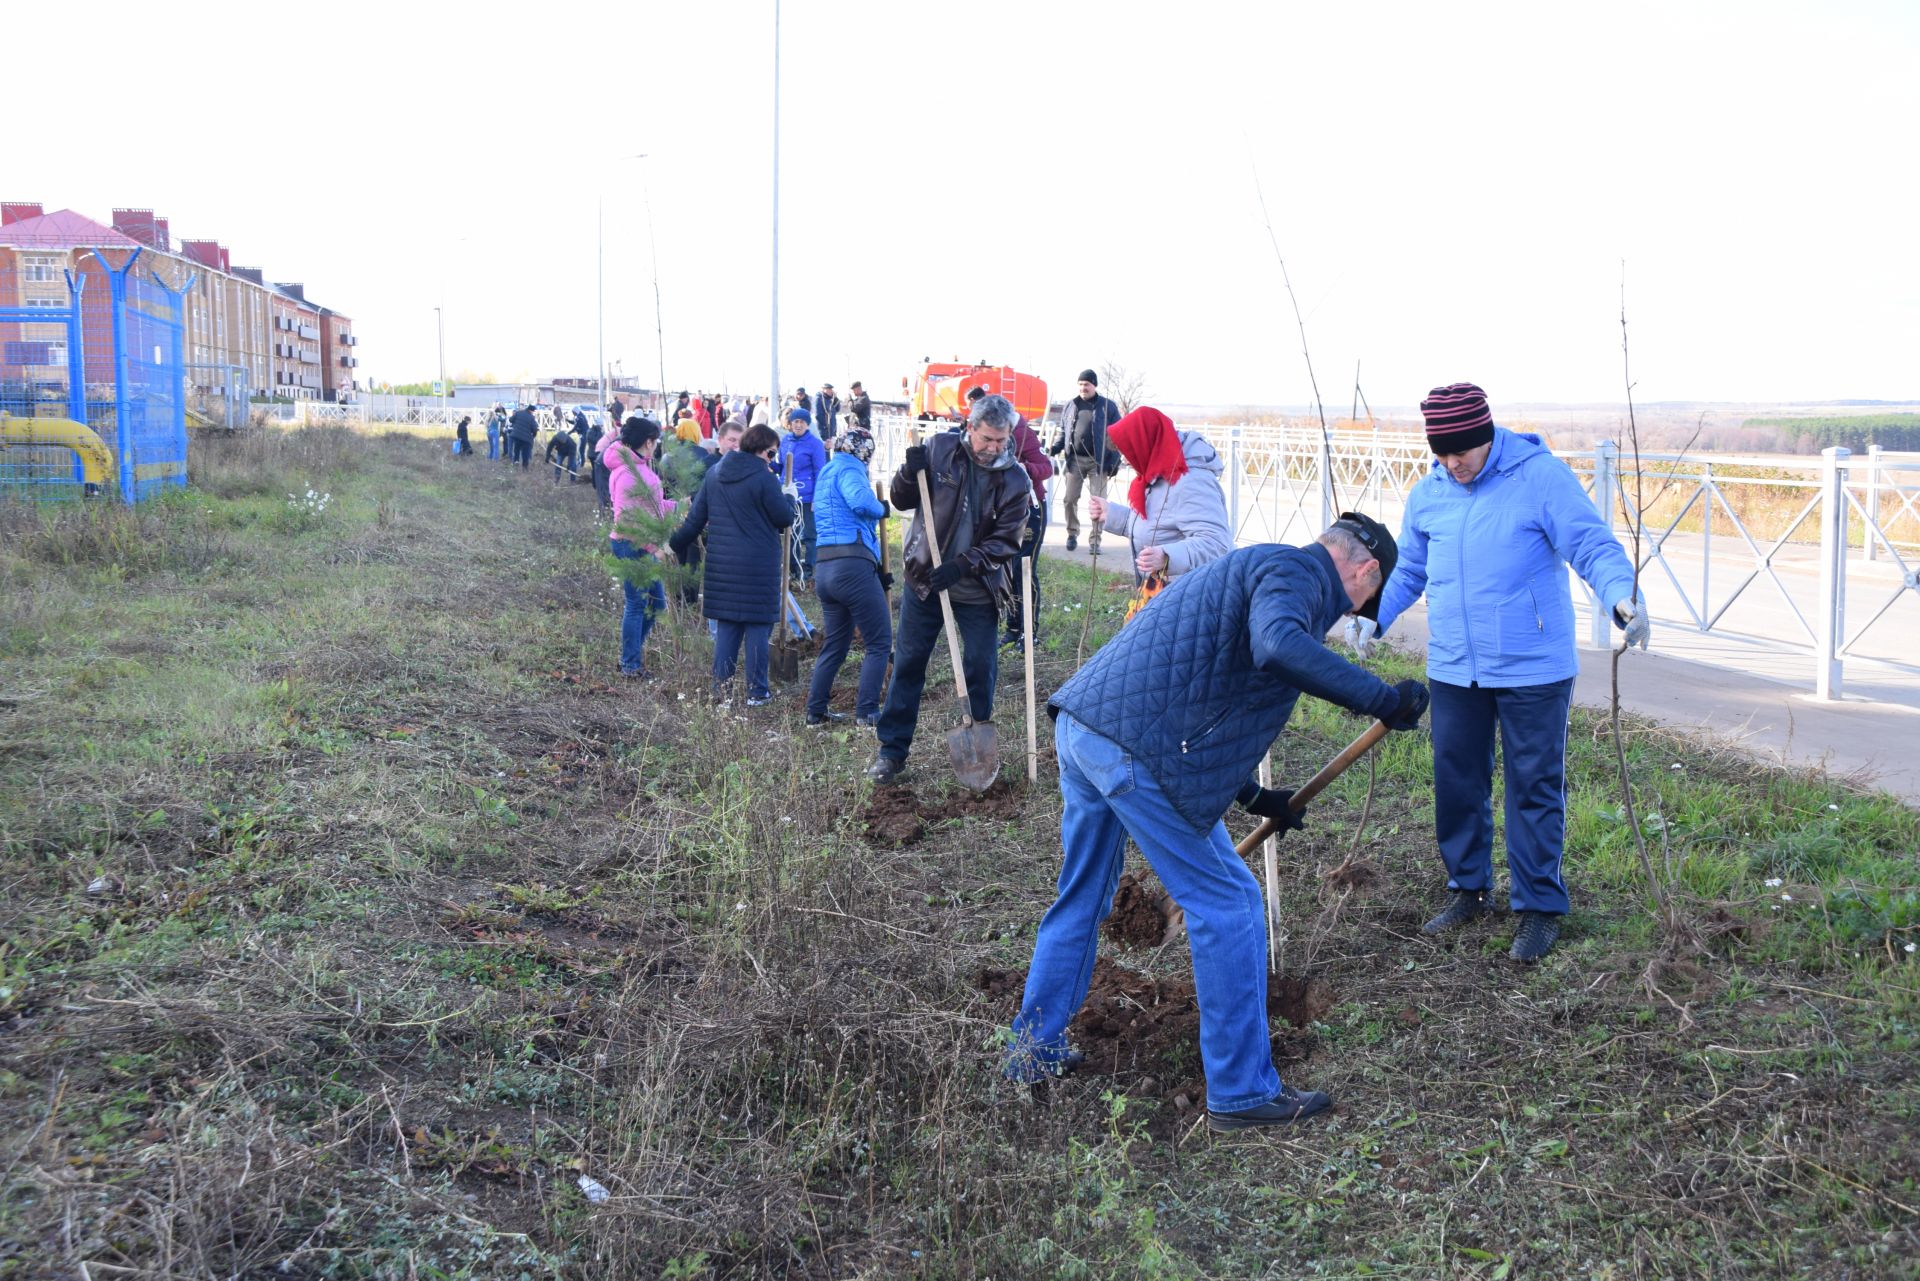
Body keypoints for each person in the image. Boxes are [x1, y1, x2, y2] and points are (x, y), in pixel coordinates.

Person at [1007, 518, 1429, 1128]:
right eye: (1369, 597)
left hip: (1087, 727)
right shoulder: (1295, 576)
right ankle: (1242, 1091)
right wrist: (1381, 698)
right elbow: (1278, 648)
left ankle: (1031, 1052)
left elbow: (1197, 692)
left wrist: (1258, 798)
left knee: (1081, 900)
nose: (1356, 610)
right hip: (1133, 749)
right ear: (1365, 573)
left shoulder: (1264, 567)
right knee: (1228, 902)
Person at [1363, 382, 1647, 962]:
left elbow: (1591, 545)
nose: (1451, 463)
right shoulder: (1430, 493)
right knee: (1456, 781)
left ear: (1485, 436)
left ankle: (1539, 908)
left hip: (1532, 667)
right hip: (1454, 666)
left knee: (1533, 786)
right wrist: (1376, 616)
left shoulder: (1539, 478)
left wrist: (1622, 595)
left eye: (1460, 451)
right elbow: (1411, 568)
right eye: (1440, 453)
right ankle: (1468, 888)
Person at [865, 394, 1030, 783]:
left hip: (977, 590)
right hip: (925, 580)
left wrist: (962, 565)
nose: (993, 448)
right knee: (908, 663)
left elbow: (1008, 540)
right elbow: (902, 499)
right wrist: (909, 470)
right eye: (987, 438)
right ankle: (892, 752)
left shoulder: (1014, 480)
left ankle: (978, 751)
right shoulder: (940, 450)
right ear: (969, 428)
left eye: (1001, 440)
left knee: (980, 666)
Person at [669, 423, 795, 706]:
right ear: (762, 450)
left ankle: (720, 691)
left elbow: (694, 520)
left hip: (721, 567)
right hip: (757, 567)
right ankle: (757, 692)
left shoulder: (714, 474)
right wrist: (789, 497)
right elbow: (783, 518)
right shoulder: (764, 479)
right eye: (772, 453)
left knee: (727, 628)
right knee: (758, 629)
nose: (772, 459)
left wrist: (672, 545)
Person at [1086, 406, 1233, 597]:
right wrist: (1113, 515)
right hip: (1164, 597)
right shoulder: (1159, 473)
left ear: (1145, 445)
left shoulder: (1189, 481)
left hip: (1190, 600)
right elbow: (1159, 524)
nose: (1125, 460)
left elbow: (1217, 543)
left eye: (1129, 452)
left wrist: (1167, 556)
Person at [805, 429, 894, 728]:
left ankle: (815, 712)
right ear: (864, 452)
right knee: (880, 641)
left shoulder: (827, 471)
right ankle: (867, 713)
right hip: (852, 565)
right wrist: (882, 508)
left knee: (836, 644)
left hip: (826, 568)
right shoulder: (849, 468)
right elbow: (860, 502)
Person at [964, 384, 1053, 648]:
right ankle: (1013, 628)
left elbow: (1046, 467)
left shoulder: (1021, 430)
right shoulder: (977, 434)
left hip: (1029, 510)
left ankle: (1029, 632)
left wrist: (1023, 468)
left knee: (1024, 569)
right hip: (1000, 511)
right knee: (1004, 569)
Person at [605, 417, 677, 678]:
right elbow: (626, 522)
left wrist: (681, 505)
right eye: (656, 441)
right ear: (648, 442)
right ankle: (629, 665)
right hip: (631, 545)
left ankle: (630, 654)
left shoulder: (638, 466)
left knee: (657, 606)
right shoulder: (628, 473)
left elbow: (652, 506)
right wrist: (652, 547)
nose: (656, 446)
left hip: (643, 545)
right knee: (636, 605)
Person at [1049, 369, 1123, 553]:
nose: (1083, 388)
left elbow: (1117, 436)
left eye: (1087, 384)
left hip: (1098, 462)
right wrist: (1055, 448)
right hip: (1075, 460)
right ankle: (1072, 533)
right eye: (1080, 384)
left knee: (1098, 503)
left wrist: (1114, 462)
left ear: (1094, 385)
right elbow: (1064, 432)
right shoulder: (1071, 405)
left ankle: (1095, 542)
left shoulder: (1108, 407)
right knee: (1069, 499)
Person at [778, 406, 829, 587]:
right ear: (790, 423)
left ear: (807, 424)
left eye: (802, 422)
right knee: (791, 533)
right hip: (788, 493)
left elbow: (819, 472)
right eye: (795, 421)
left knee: (809, 534)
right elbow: (783, 466)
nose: (798, 425)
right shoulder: (785, 441)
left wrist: (817, 498)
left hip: (807, 495)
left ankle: (808, 569)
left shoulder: (814, 444)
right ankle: (794, 568)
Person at [507, 403, 539, 468]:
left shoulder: (518, 413)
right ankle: (524, 466)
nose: (533, 413)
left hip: (516, 435)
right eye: (533, 411)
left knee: (517, 449)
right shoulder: (531, 417)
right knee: (525, 452)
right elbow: (534, 428)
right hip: (526, 438)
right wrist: (534, 435)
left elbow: (511, 420)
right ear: (531, 410)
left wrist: (516, 423)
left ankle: (516, 461)